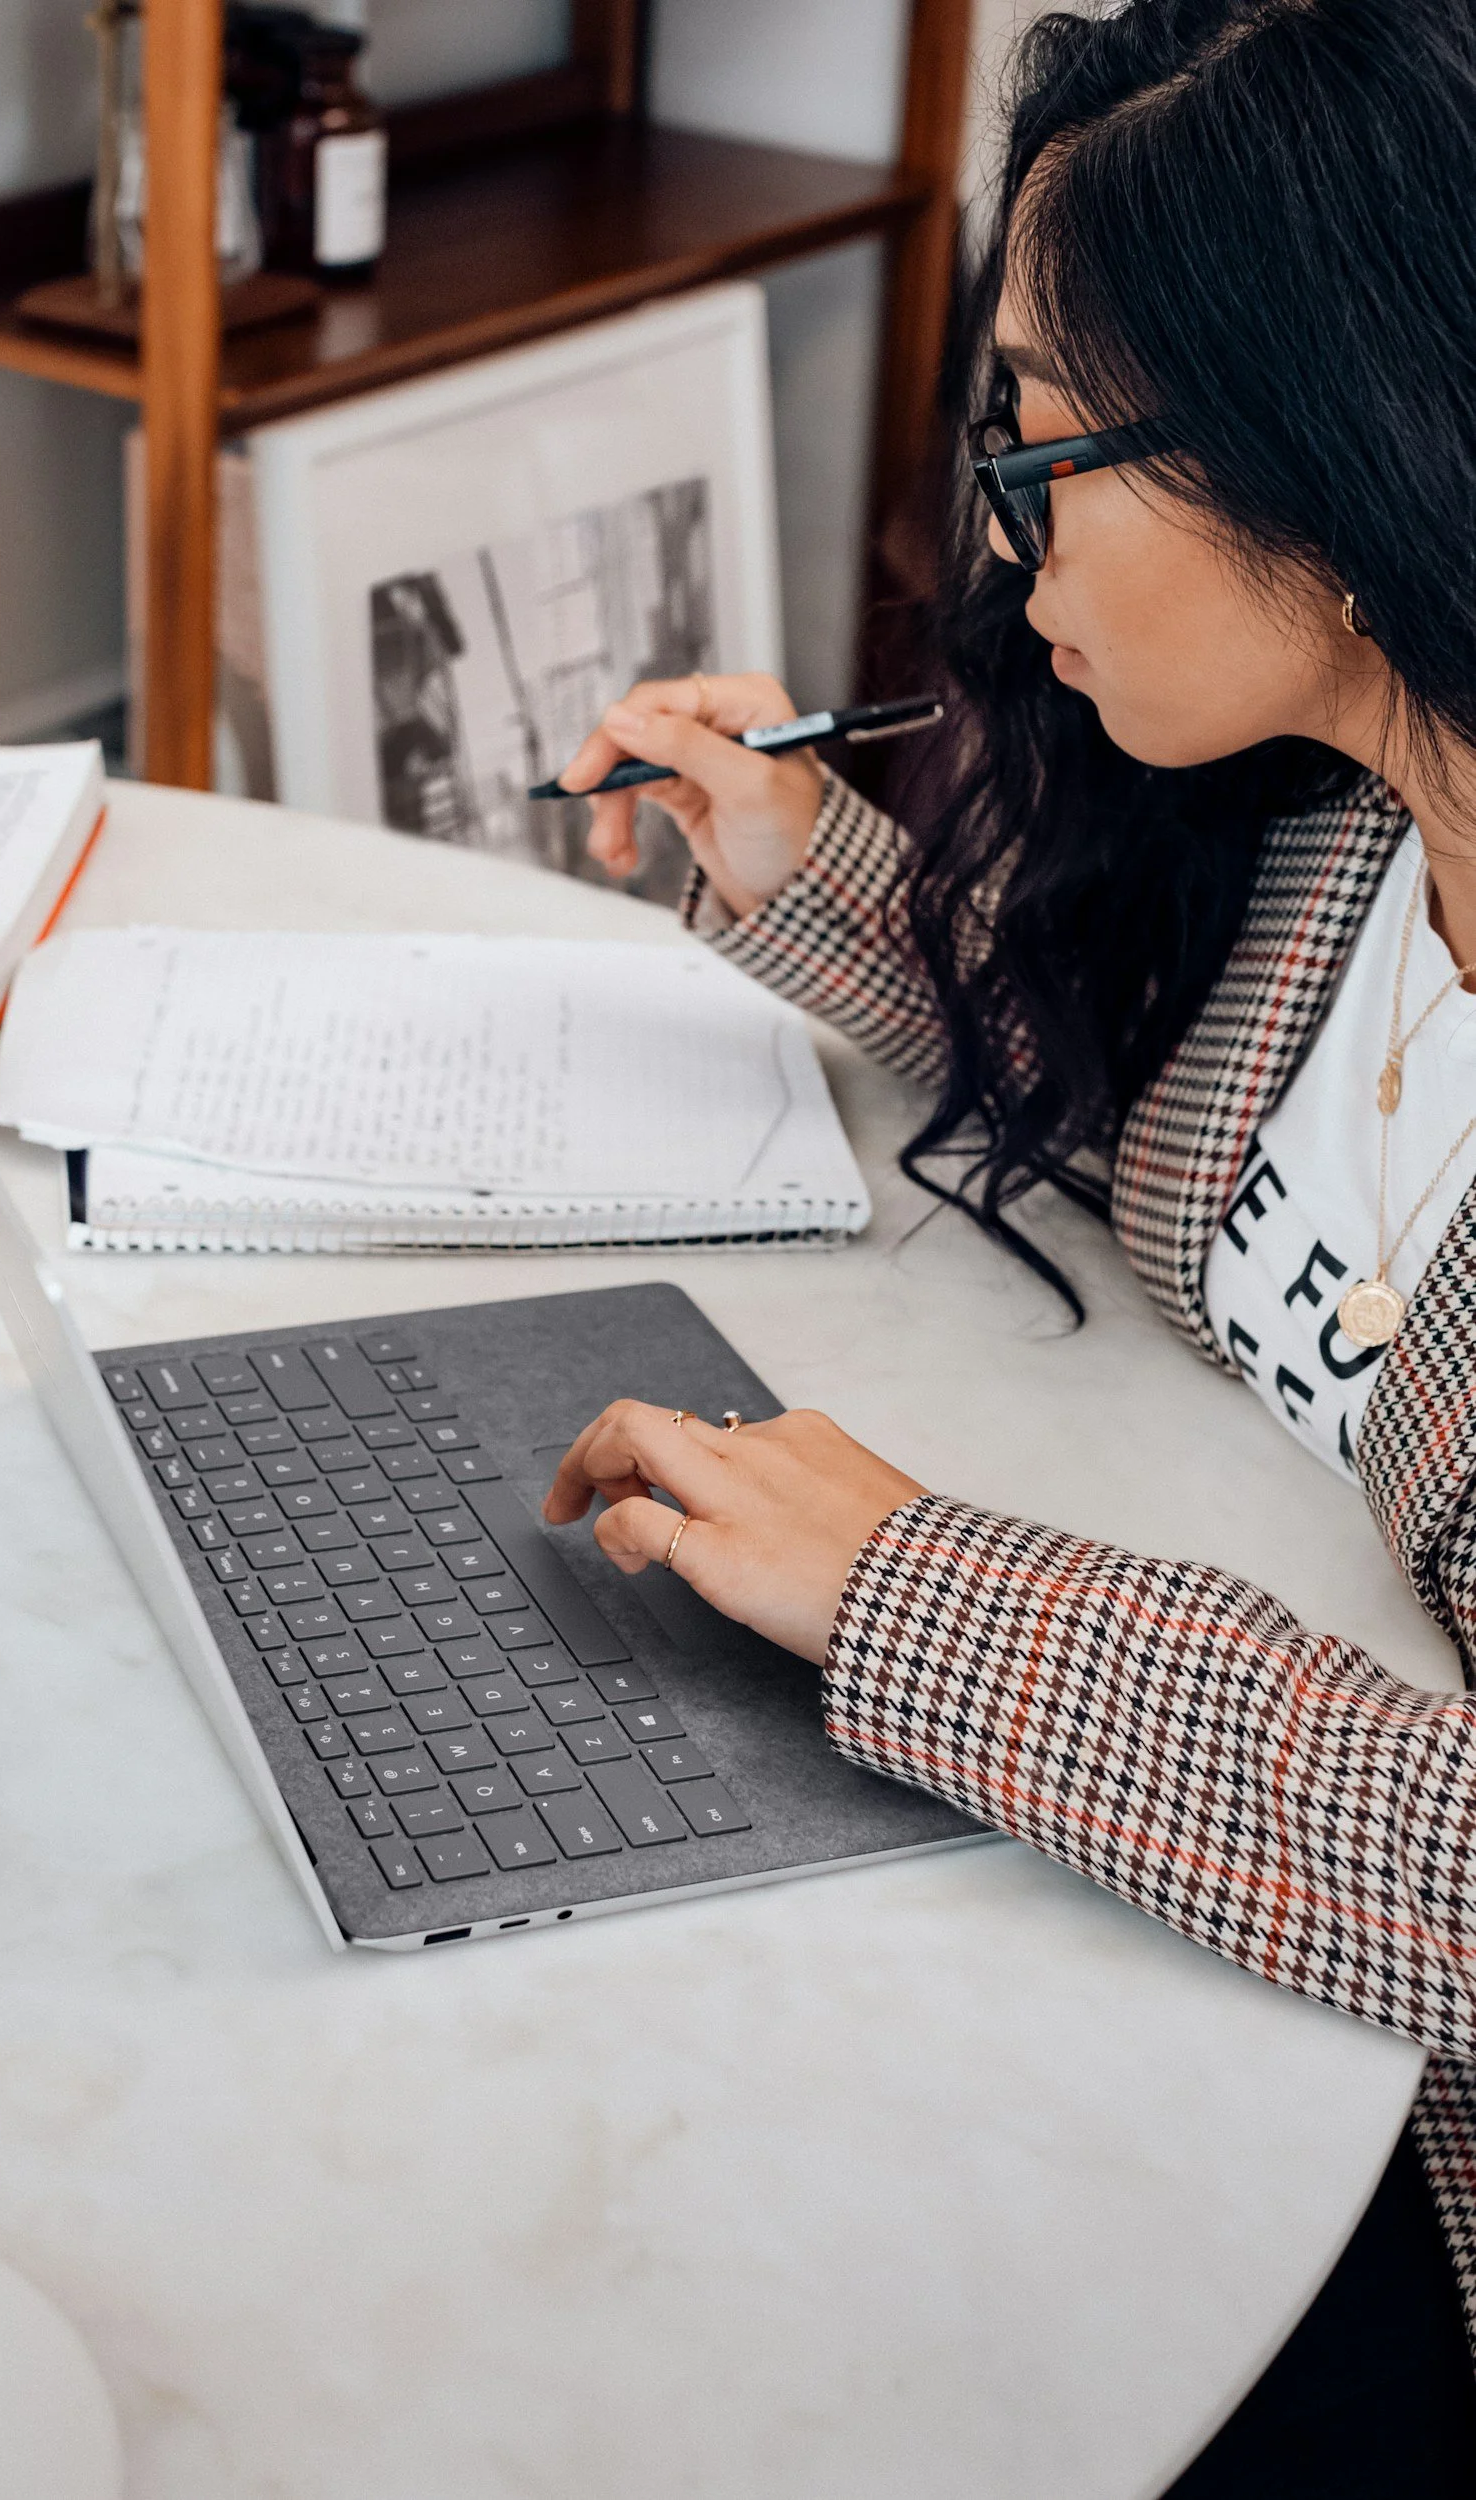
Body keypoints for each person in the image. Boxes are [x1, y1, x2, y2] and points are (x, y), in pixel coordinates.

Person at [542, 1, 1476, 2489]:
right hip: (1204, 1970)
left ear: (1339, 433)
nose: (995, 525)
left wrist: (917, 1593)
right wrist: (814, 883)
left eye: (1041, 435)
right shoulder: (1359, 829)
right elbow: (1224, 1219)